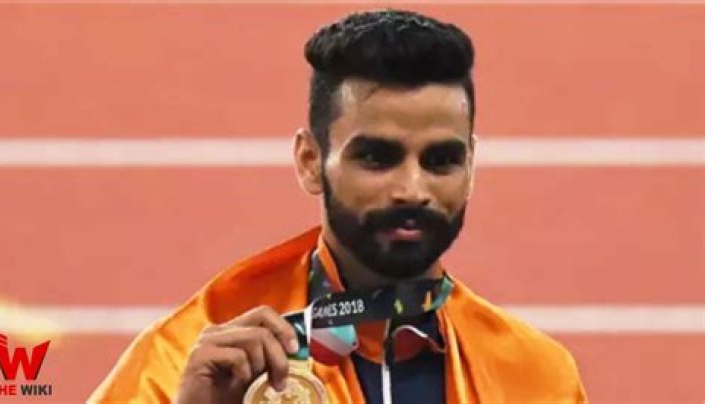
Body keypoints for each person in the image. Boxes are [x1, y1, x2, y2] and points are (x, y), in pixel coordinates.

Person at [90, 9, 586, 404]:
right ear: (311, 162)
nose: (412, 189)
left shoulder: (535, 377)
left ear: (471, 166)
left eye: (441, 160)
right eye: (377, 158)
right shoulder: (188, 361)